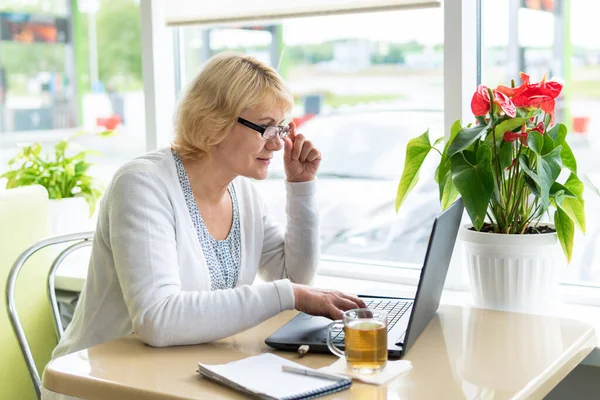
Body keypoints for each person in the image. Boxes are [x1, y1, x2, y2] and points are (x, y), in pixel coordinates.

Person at [42, 52, 365, 398]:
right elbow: (158, 320)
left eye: (282, 127)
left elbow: (295, 276)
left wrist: (301, 189)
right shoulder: (141, 185)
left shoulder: (243, 192)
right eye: (266, 127)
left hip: (179, 378)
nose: (278, 142)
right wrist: (288, 295)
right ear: (215, 121)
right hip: (99, 385)